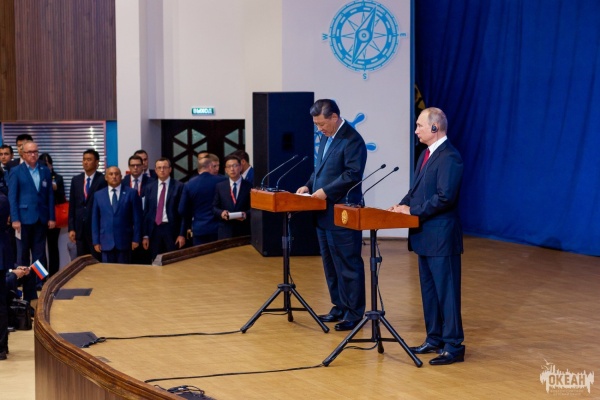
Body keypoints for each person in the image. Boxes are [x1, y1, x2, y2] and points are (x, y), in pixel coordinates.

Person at [388, 107, 465, 366]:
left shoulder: (450, 157)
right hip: (424, 237)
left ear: (435, 127)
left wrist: (413, 211)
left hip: (442, 238)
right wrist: (402, 206)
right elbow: (417, 191)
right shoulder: (426, 154)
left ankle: (453, 345)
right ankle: (434, 338)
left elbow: (445, 197)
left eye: (420, 125)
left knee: (447, 293)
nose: (416, 130)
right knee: (430, 292)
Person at [296, 99, 367, 332]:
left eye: (322, 124)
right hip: (323, 213)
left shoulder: (352, 140)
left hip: (342, 212)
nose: (319, 129)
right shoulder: (328, 137)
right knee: (330, 264)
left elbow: (352, 174)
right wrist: (308, 185)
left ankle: (354, 312)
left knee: (347, 263)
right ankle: (339, 306)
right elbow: (321, 170)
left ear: (334, 117)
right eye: (316, 124)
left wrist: (325, 191)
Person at [7, 141, 55, 302]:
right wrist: (15, 218)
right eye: (29, 152)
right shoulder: (16, 171)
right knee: (22, 255)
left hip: (41, 219)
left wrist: (51, 217)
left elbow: (50, 195)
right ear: (23, 153)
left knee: (40, 255)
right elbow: (12, 197)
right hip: (22, 220)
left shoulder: (44, 169)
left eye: (35, 151)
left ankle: (39, 284)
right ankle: (24, 287)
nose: (33, 154)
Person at [92, 166, 142, 264]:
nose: (114, 176)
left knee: (123, 271)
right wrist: (96, 241)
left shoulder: (131, 193)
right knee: (108, 271)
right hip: (105, 242)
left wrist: (136, 239)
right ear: (106, 177)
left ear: (121, 176)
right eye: (111, 174)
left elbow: (137, 219)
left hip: (125, 241)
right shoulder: (98, 195)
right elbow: (95, 220)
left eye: (116, 174)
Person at [142, 158, 186, 262]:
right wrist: (145, 235)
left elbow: (184, 213)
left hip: (172, 230)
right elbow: (146, 212)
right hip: (154, 230)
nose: (162, 170)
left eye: (165, 167)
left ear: (170, 169)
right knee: (156, 261)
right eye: (159, 168)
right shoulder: (149, 187)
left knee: (173, 261)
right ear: (155, 170)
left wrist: (182, 234)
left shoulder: (179, 186)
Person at [68, 149, 107, 261]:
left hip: (96, 230)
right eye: (84, 159)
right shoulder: (76, 180)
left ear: (97, 162)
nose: (85, 162)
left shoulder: (103, 180)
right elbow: (72, 205)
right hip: (79, 229)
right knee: (82, 261)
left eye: (89, 159)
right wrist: (71, 228)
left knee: (96, 261)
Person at [180, 156, 226, 245]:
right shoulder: (222, 181)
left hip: (199, 228)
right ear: (210, 166)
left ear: (198, 169)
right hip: (218, 227)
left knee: (201, 253)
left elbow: (182, 209)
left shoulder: (189, 184)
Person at [122, 154, 154, 264]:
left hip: (146, 228)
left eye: (138, 165)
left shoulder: (152, 182)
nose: (135, 168)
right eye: (133, 165)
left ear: (142, 166)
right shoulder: (122, 182)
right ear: (129, 167)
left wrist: (146, 234)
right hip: (127, 230)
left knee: (144, 263)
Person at [39, 153, 66, 277]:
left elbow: (62, 198)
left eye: (48, 163)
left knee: (53, 247)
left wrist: (55, 188)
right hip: (39, 217)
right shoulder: (36, 177)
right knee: (39, 249)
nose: (46, 166)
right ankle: (41, 276)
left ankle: (54, 275)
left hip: (53, 216)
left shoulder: (58, 178)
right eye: (44, 164)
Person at [212, 155, 251, 239]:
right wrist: (221, 213)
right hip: (225, 230)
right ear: (226, 170)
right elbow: (214, 207)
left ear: (240, 167)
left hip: (243, 230)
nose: (232, 169)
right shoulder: (220, 186)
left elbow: (254, 208)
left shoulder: (249, 186)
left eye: (235, 166)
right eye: (229, 166)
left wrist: (245, 214)